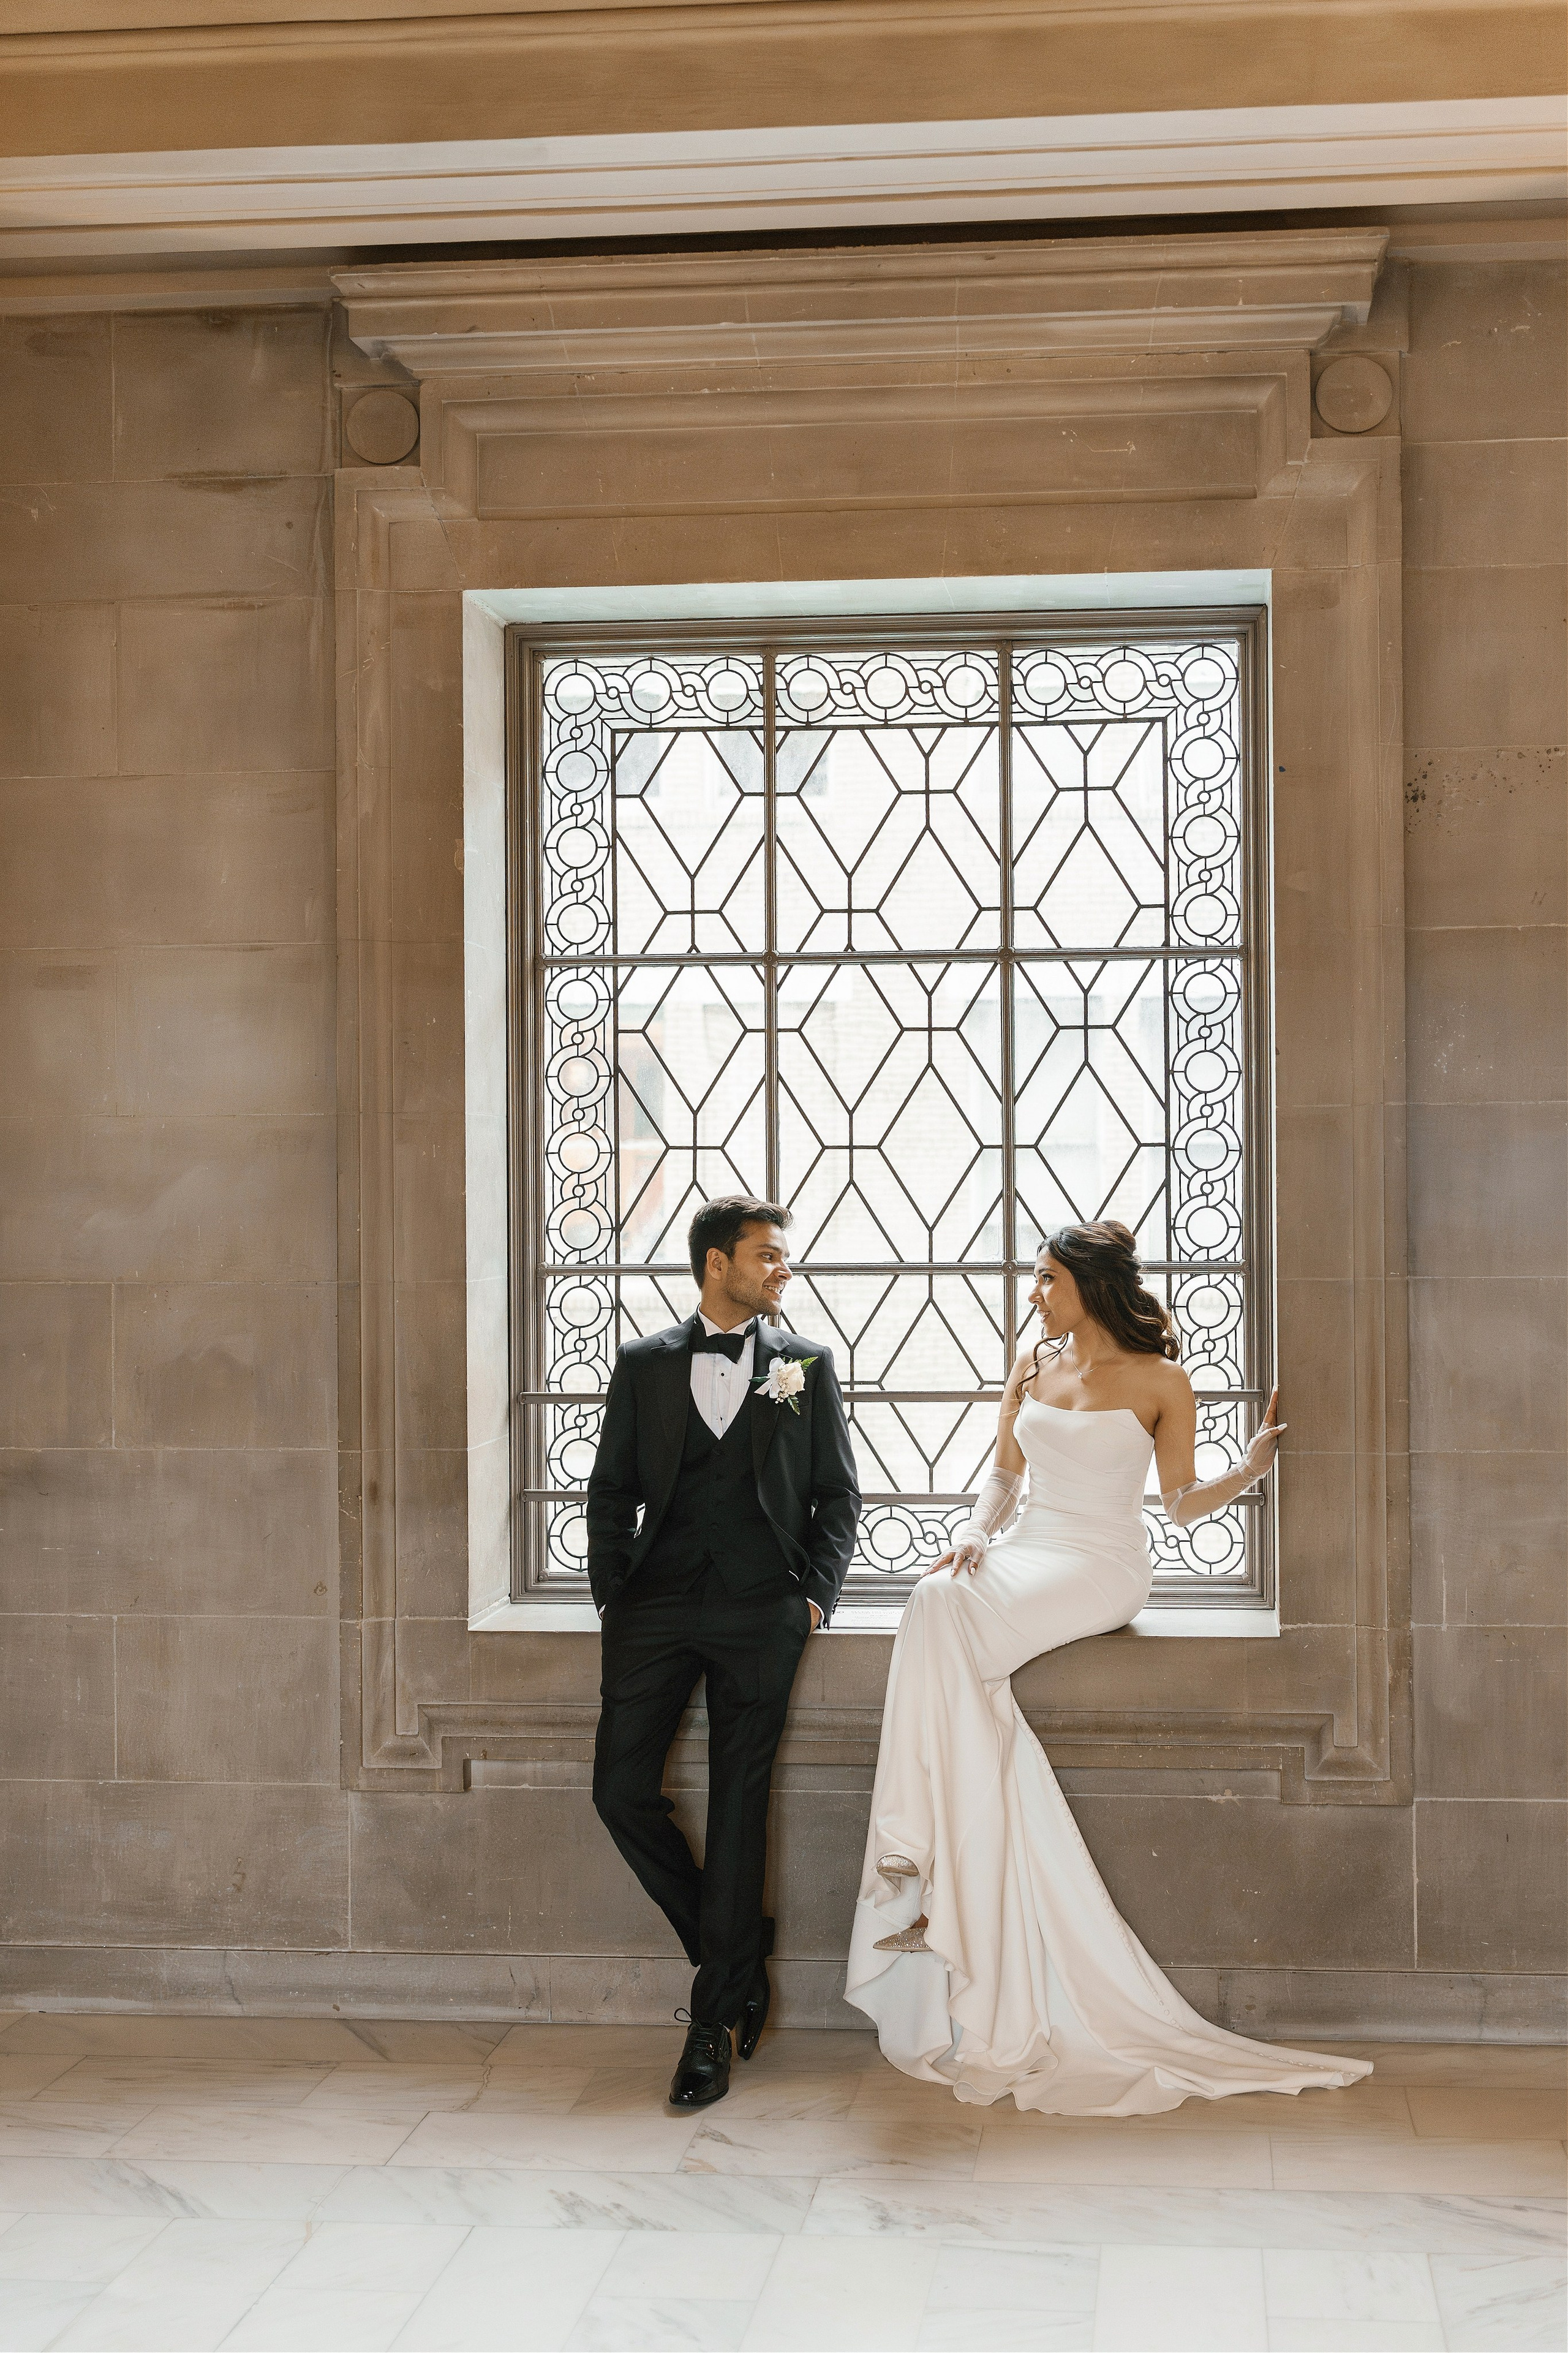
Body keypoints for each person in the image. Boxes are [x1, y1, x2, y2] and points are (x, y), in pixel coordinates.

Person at [846, 1219, 1371, 2114]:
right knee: (934, 1597)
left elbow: (1181, 1503)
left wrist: (1250, 1469)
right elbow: (1004, 1477)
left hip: (1100, 1564)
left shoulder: (1163, 1380)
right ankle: (934, 1865)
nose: (1034, 1294)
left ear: (1089, 1284)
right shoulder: (1033, 1366)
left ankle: (918, 1862)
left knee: (942, 1625)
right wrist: (973, 1533)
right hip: (1025, 1547)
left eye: (1046, 1278)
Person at [587, 1196, 861, 2110]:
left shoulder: (805, 1365)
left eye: (784, 1256)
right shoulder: (644, 1364)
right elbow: (610, 1489)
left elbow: (837, 1494)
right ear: (717, 1264)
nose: (783, 1269)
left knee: (742, 1804)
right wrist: (612, 1594)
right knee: (618, 1790)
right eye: (767, 1255)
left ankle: (711, 2028)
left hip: (761, 1610)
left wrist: (814, 1598)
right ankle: (733, 1952)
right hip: (653, 1608)